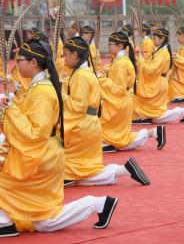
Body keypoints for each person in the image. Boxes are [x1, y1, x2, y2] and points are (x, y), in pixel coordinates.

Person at [0, 39, 118, 237]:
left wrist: (10, 112)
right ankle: (98, 203)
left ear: (33, 63)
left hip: (41, 155)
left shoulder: (43, 91)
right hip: (42, 152)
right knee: (43, 221)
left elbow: (36, 133)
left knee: (43, 218)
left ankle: (4, 222)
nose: (16, 63)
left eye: (19, 59)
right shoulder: (37, 88)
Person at [62, 36, 150, 186]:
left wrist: (59, 95)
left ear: (75, 55)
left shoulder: (82, 75)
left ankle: (122, 169)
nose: (63, 59)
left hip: (82, 125)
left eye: (65, 55)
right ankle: (123, 169)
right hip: (89, 123)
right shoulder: (84, 73)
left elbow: (78, 106)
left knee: (75, 173)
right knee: (81, 170)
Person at [99, 32, 166, 153]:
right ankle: (153, 132)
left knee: (116, 139)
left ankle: (152, 132)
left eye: (110, 44)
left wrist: (102, 81)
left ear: (119, 46)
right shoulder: (120, 61)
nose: (108, 46)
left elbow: (118, 88)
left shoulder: (121, 63)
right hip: (119, 101)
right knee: (117, 136)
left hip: (118, 102)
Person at [132, 28, 184, 124]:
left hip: (157, 83)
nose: (153, 40)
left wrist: (141, 59)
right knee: (156, 116)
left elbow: (151, 69)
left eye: (155, 38)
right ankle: (182, 111)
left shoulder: (162, 53)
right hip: (158, 81)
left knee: (155, 114)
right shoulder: (160, 51)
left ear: (162, 39)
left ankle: (180, 111)